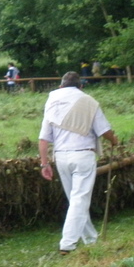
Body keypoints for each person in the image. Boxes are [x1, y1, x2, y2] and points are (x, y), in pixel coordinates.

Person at [39, 71, 119, 254]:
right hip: (83, 155)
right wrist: (113, 140)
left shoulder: (51, 102)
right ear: (80, 86)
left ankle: (90, 239)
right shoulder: (88, 102)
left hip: (60, 157)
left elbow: (44, 138)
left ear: (61, 86)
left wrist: (44, 163)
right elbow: (104, 130)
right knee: (79, 200)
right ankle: (67, 243)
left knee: (75, 199)